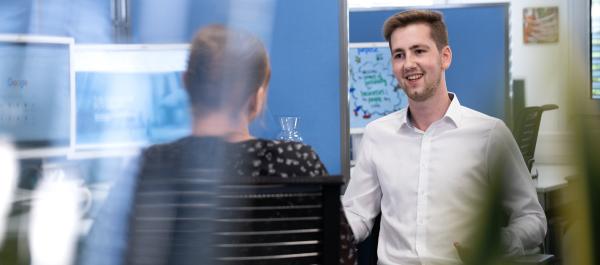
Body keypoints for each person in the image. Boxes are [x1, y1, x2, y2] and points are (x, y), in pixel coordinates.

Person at [80, 25, 355, 265]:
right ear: (257, 97)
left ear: (186, 84)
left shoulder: (149, 166)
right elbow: (343, 256)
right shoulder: (297, 162)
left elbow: (97, 255)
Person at [342, 10, 546, 265]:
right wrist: (323, 231)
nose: (408, 64)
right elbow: (357, 214)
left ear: (444, 57)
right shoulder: (377, 135)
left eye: (419, 51)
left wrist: (501, 240)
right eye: (399, 55)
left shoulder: (489, 134)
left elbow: (532, 218)